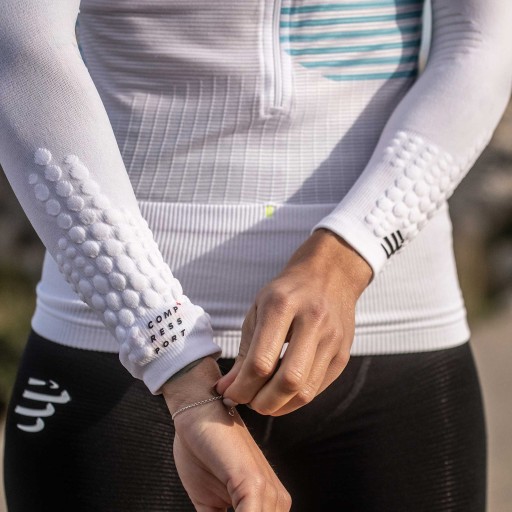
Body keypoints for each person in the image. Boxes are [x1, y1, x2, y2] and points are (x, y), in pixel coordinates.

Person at [1, 0, 511, 510]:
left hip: (398, 331)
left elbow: (484, 42)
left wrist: (347, 257)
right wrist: (171, 354)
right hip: (112, 344)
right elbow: (21, 47)